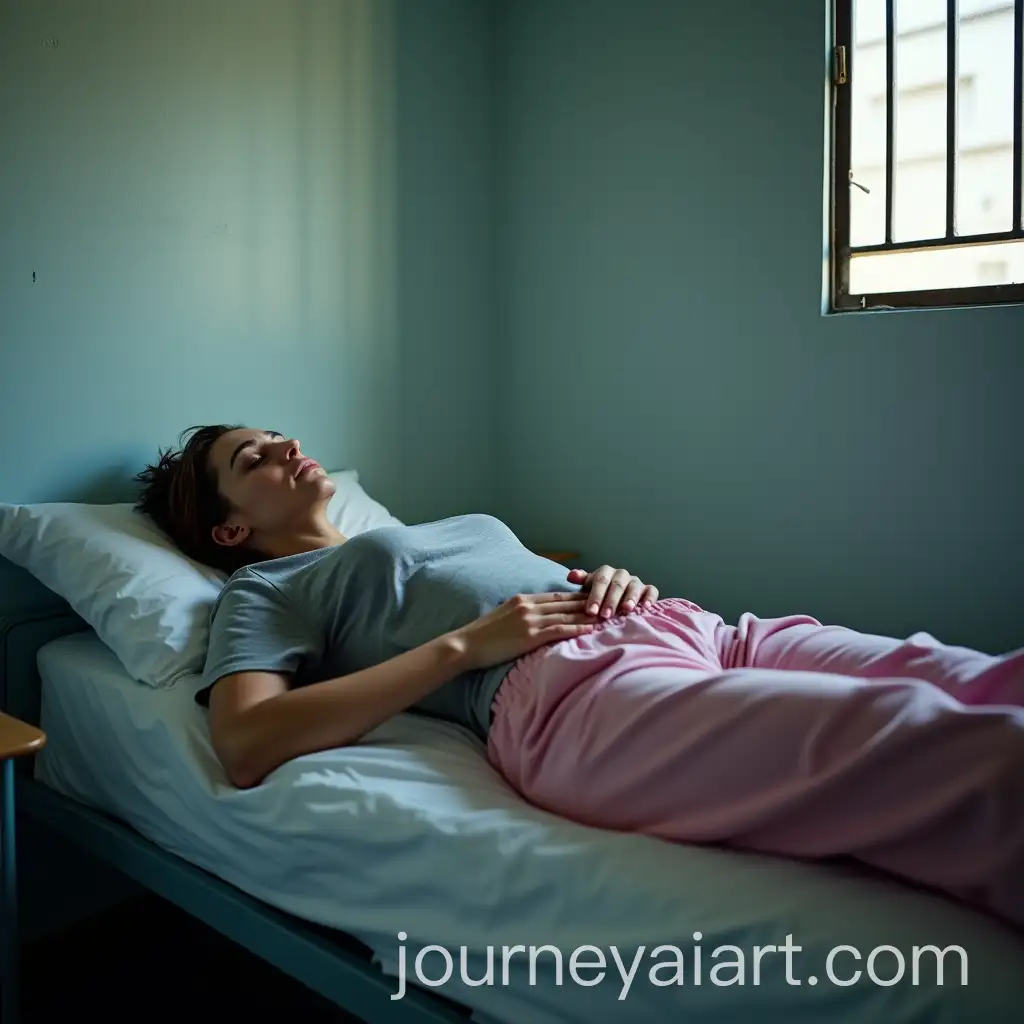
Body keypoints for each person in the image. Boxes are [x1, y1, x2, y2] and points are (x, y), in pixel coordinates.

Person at [135, 424, 1024, 931]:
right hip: (569, 696)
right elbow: (246, 742)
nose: (284, 444)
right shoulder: (267, 589)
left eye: (272, 436)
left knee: (970, 677)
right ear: (227, 532)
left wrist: (611, 579)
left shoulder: (396, 531)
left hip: (693, 627)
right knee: (947, 747)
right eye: (251, 460)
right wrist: (461, 650)